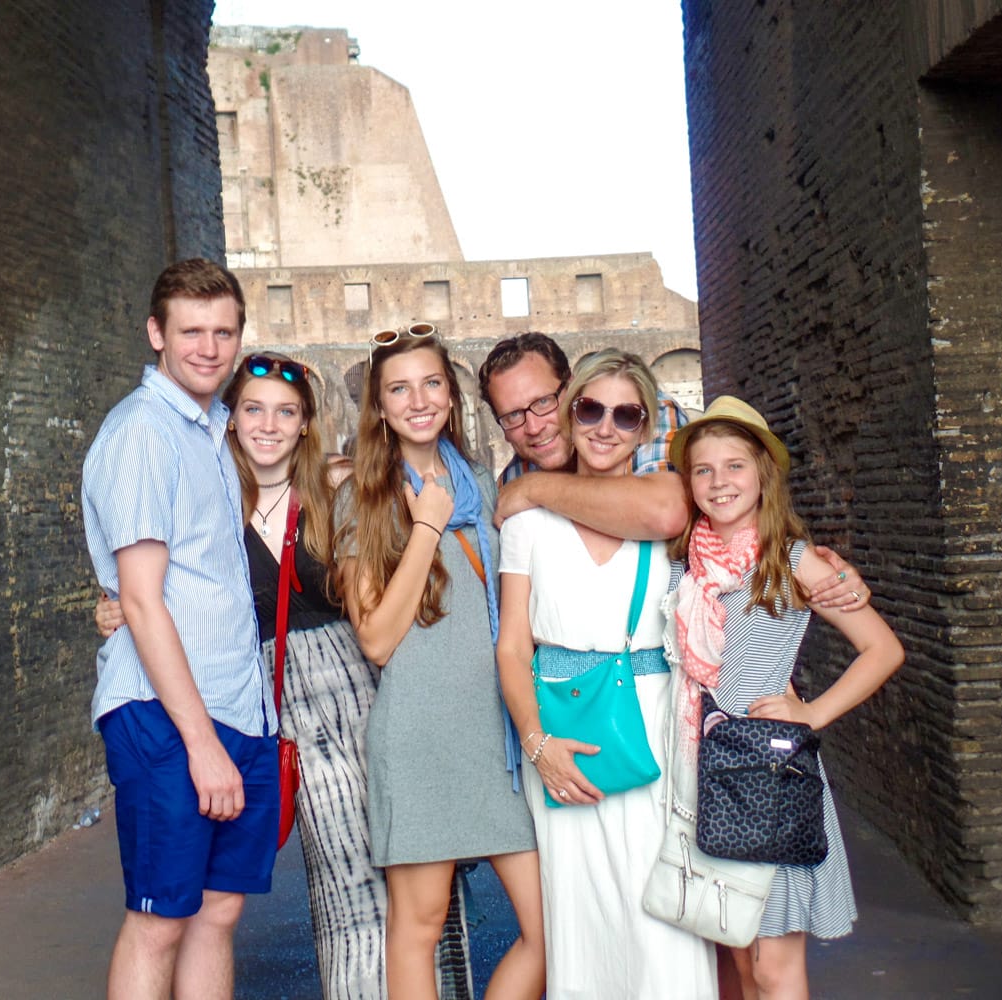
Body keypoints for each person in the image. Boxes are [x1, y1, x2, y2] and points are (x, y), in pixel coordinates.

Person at [95, 350, 474, 999]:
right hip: (279, 702)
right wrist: (115, 609)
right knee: (347, 881)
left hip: (367, 694)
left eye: (286, 412)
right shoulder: (207, 498)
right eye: (253, 409)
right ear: (230, 418)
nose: (269, 426)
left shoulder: (337, 488)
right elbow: (154, 585)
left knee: (421, 867)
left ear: (305, 423)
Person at [81, 258, 279, 1000]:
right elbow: (140, 600)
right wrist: (201, 745)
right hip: (167, 716)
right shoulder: (143, 433)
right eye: (191, 331)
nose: (209, 347)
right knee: (160, 919)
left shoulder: (212, 432)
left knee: (216, 915)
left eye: (223, 332)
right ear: (156, 334)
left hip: (237, 706)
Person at [665, 396, 904, 999]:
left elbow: (882, 649)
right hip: (704, 775)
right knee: (741, 962)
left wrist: (812, 712)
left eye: (735, 465)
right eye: (703, 469)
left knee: (773, 968)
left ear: (763, 474)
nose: (719, 482)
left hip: (770, 776)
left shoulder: (792, 560)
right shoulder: (681, 565)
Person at [333, 326, 546, 1000]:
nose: (418, 400)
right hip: (420, 734)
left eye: (431, 384)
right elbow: (376, 639)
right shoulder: (360, 499)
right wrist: (426, 524)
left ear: (452, 396)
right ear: (379, 406)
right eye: (399, 389)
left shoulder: (484, 483)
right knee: (419, 927)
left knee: (551, 930)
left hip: (499, 733)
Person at [496, 348, 716, 999]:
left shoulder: (667, 509)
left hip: (657, 726)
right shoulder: (528, 523)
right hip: (561, 729)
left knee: (664, 923)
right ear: (571, 412)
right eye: (591, 409)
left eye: (626, 415)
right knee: (579, 923)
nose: (605, 427)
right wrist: (538, 746)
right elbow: (512, 648)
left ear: (646, 428)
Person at [478, 333, 870, 619]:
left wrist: (535, 489)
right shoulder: (515, 475)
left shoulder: (635, 411)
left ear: (570, 391)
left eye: (543, 402)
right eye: (512, 416)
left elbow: (667, 511)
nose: (534, 426)